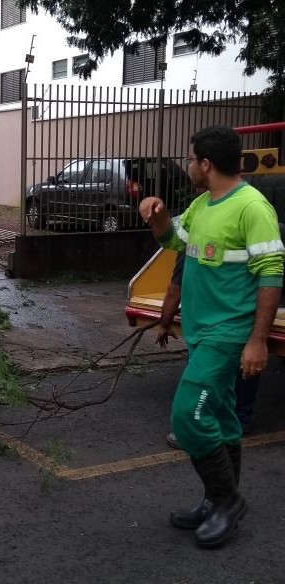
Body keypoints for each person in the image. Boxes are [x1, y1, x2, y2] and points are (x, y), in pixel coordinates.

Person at [139, 126, 284, 549]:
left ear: (206, 163)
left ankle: (227, 500)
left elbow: (272, 275)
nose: (188, 166)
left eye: (191, 159)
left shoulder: (252, 208)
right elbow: (171, 240)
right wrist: (158, 215)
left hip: (228, 333)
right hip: (201, 331)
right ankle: (214, 500)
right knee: (221, 419)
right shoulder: (204, 204)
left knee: (188, 416)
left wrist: (258, 340)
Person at [156, 251, 262, 448]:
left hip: (209, 328)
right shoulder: (254, 236)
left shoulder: (193, 242)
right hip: (241, 321)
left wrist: (164, 323)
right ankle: (238, 422)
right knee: (240, 373)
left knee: (200, 385)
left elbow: (175, 290)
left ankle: (196, 433)